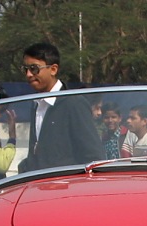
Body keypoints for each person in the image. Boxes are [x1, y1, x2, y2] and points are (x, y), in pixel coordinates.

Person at [16, 42, 103, 172]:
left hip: (66, 187)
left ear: (53, 69)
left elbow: (93, 156)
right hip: (39, 186)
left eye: (34, 68)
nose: (28, 74)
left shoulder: (74, 103)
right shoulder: (36, 104)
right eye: (25, 69)